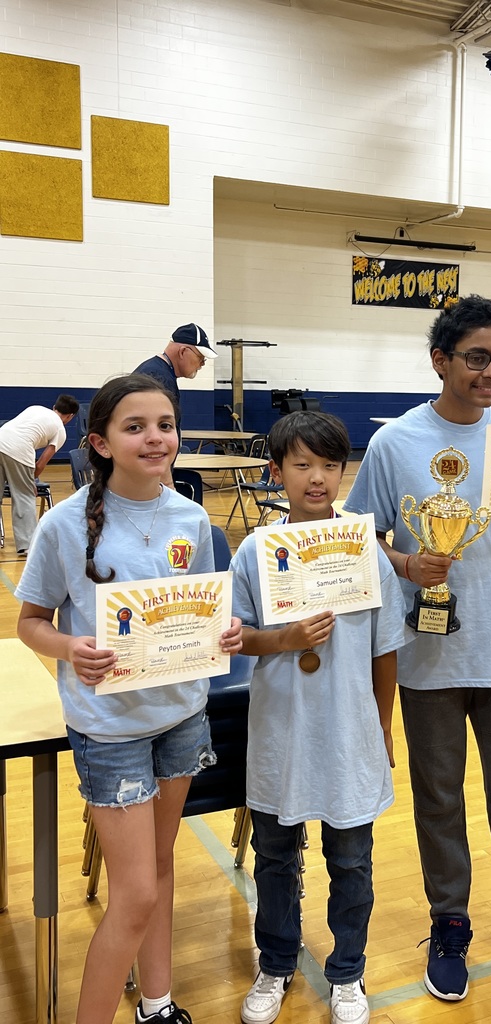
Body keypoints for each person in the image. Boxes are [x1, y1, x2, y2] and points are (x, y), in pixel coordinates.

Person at [345, 295, 491, 1001]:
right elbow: (361, 538)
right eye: (477, 357)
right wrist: (406, 565)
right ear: (440, 360)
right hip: (426, 658)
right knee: (438, 800)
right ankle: (450, 922)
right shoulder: (396, 445)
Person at [15, 373, 243, 1024]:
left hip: (180, 718)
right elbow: (33, 621)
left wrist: (221, 630)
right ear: (101, 443)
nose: (155, 438)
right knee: (136, 893)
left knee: (160, 870)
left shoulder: (192, 519)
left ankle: (157, 1002)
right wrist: (69, 650)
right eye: (135, 426)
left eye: (165, 425)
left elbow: (203, 611)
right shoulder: (64, 525)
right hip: (109, 730)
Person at [231, 410, 409, 1024]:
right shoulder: (256, 550)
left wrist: (382, 724)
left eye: (330, 466)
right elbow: (236, 637)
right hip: (280, 729)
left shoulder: (366, 548)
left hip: (348, 732)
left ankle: (348, 975)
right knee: (276, 856)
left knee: (351, 860)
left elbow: (386, 647)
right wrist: (283, 640)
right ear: (276, 471)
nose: (317, 479)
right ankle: (276, 963)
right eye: (302, 464)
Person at [134, 323, 218, 485]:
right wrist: (166, 482)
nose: (202, 364)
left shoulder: (159, 372)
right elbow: (154, 434)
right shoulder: (158, 378)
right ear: (183, 351)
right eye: (201, 358)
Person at [0, 393, 79, 554]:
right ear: (70, 416)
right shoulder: (60, 430)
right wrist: (31, 482)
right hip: (19, 449)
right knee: (25, 496)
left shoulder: (35, 408)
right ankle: (27, 545)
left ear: (54, 407)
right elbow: (41, 463)